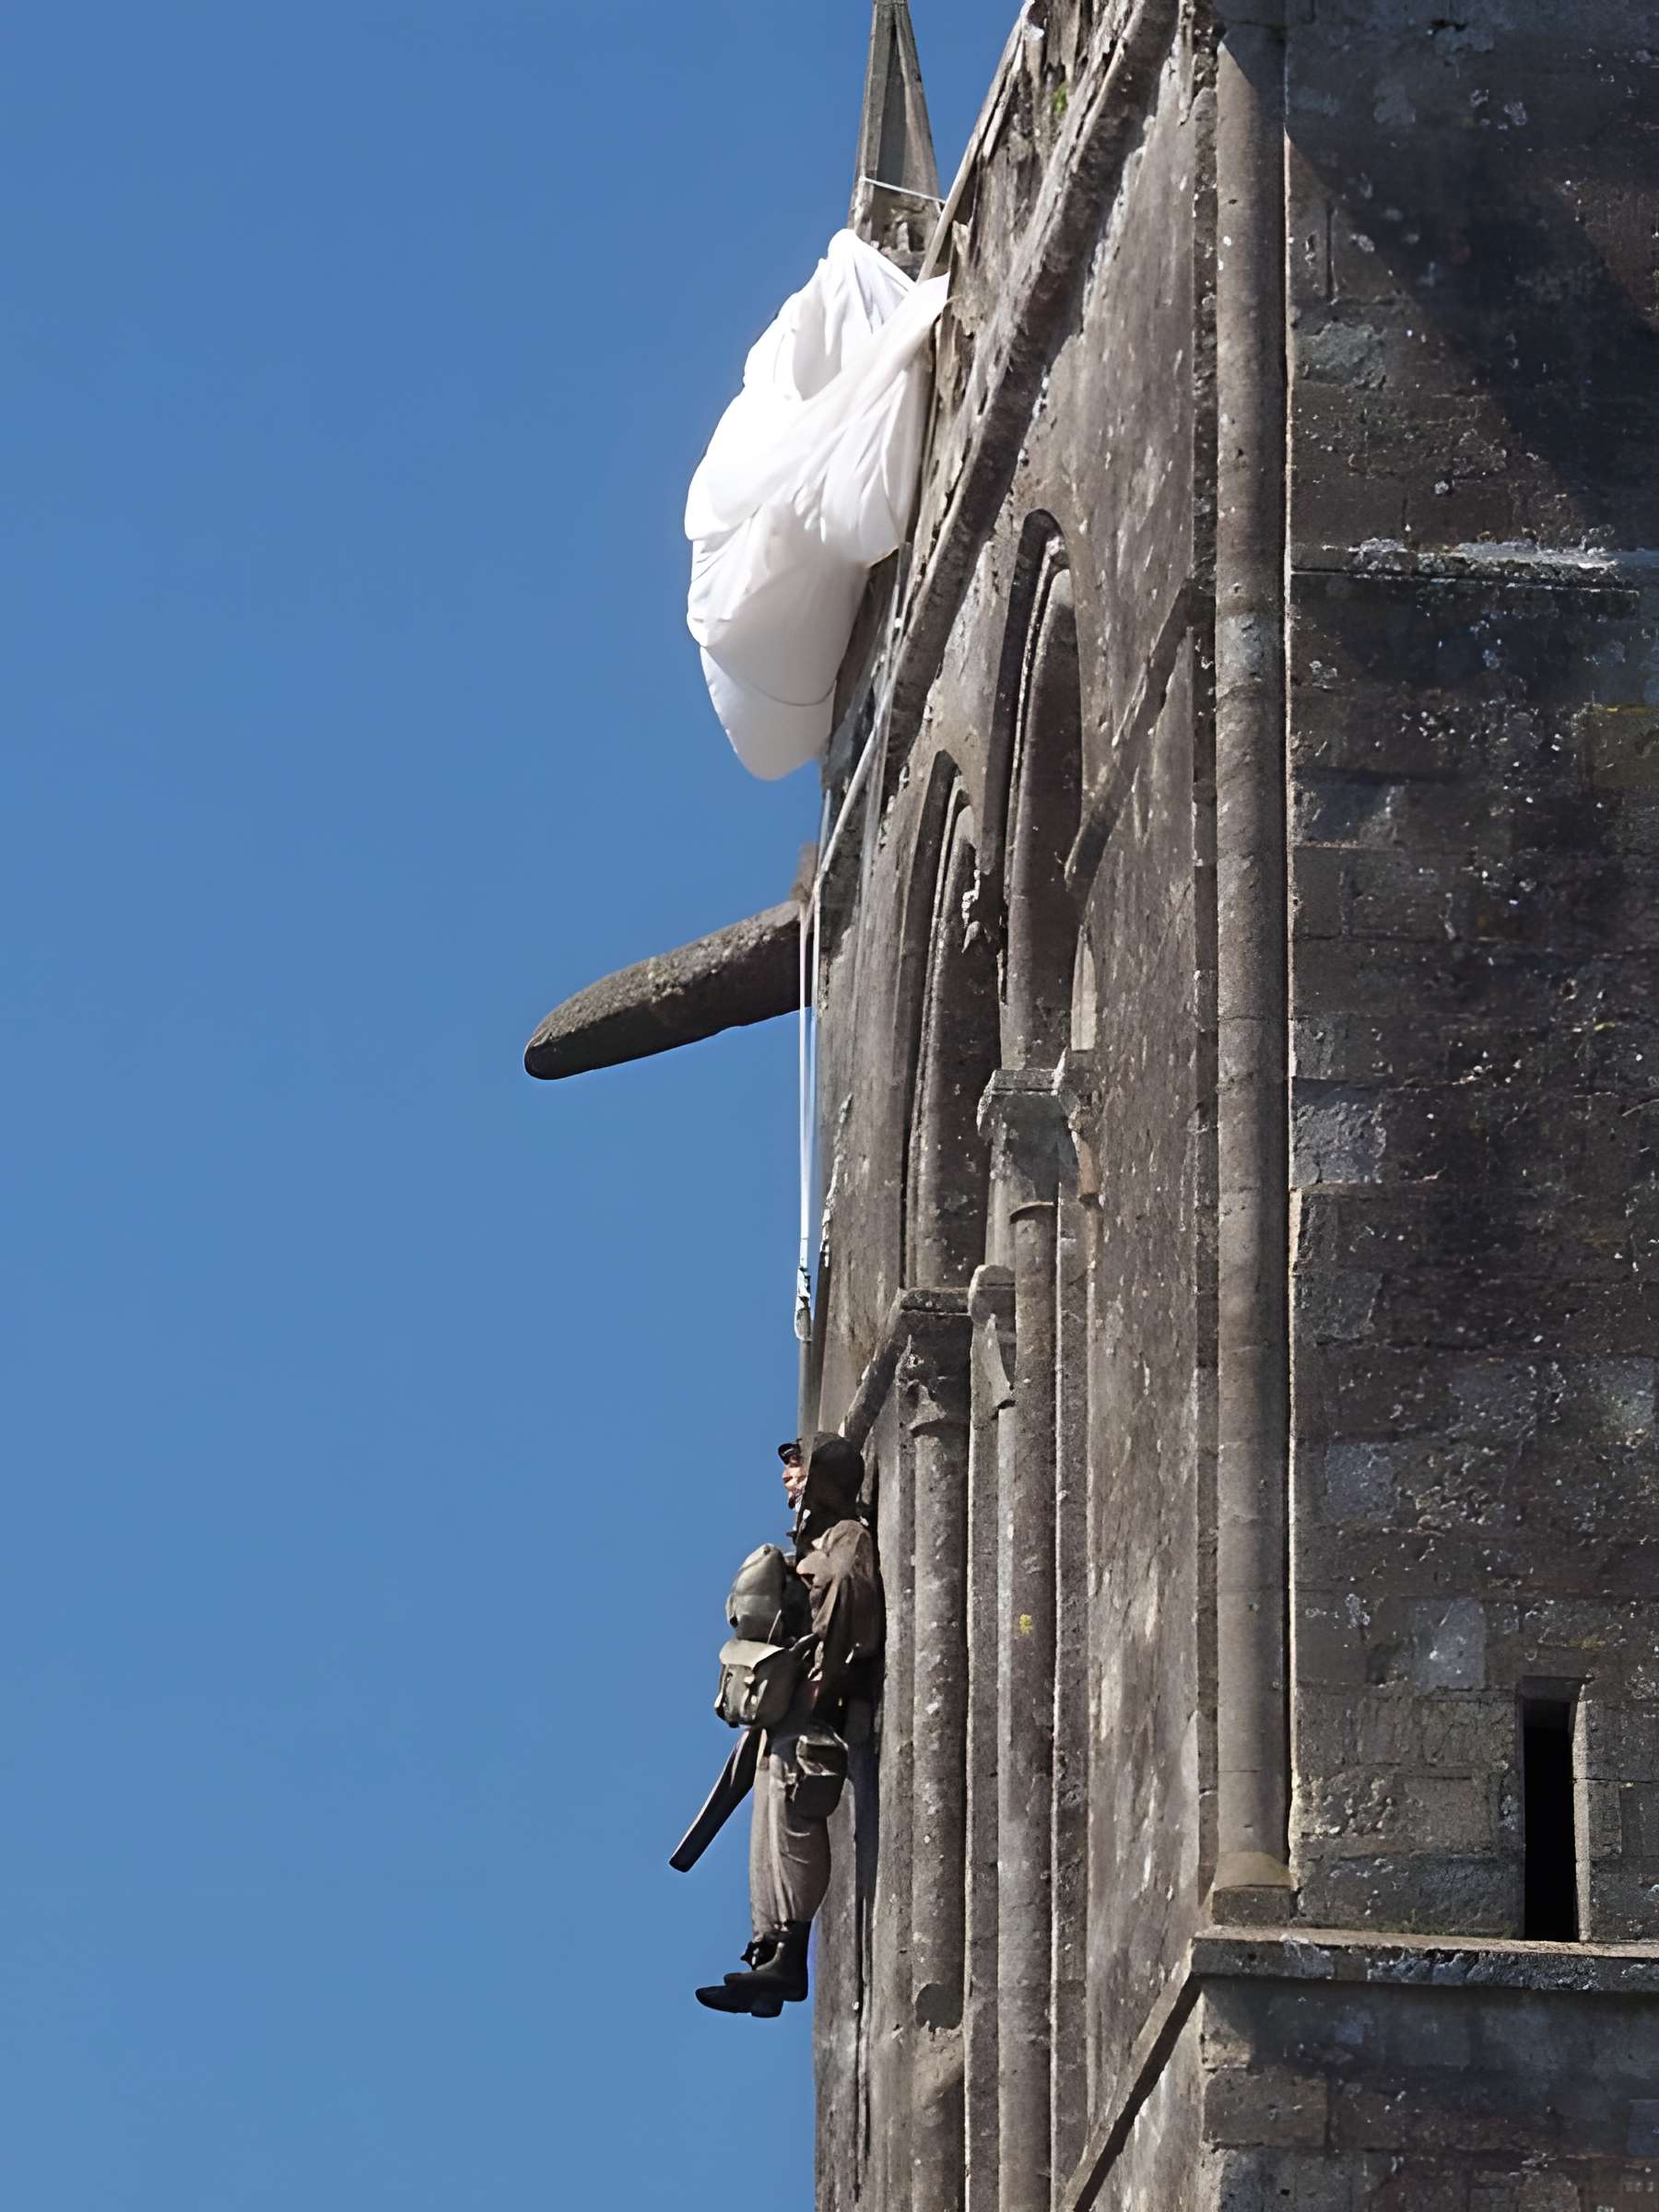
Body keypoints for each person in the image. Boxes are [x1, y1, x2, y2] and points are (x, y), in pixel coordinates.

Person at [695, 1430, 883, 2018]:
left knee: (795, 1815)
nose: (788, 1479)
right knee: (768, 1829)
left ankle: (789, 1954)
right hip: (788, 1715)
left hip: (818, 1707)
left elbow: (849, 1599)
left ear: (824, 1477)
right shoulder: (814, 1542)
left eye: (799, 1469)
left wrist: (824, 1673)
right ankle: (767, 1953)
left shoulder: (847, 1536)